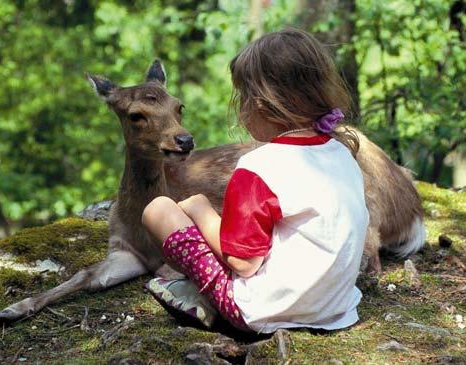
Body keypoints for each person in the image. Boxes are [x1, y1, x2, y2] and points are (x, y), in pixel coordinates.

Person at [142, 28, 369, 333]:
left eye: (241, 97)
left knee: (158, 210)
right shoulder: (341, 153)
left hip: (262, 312)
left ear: (260, 103)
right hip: (336, 309)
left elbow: (244, 263)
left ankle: (205, 299)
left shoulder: (258, 166)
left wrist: (201, 209)